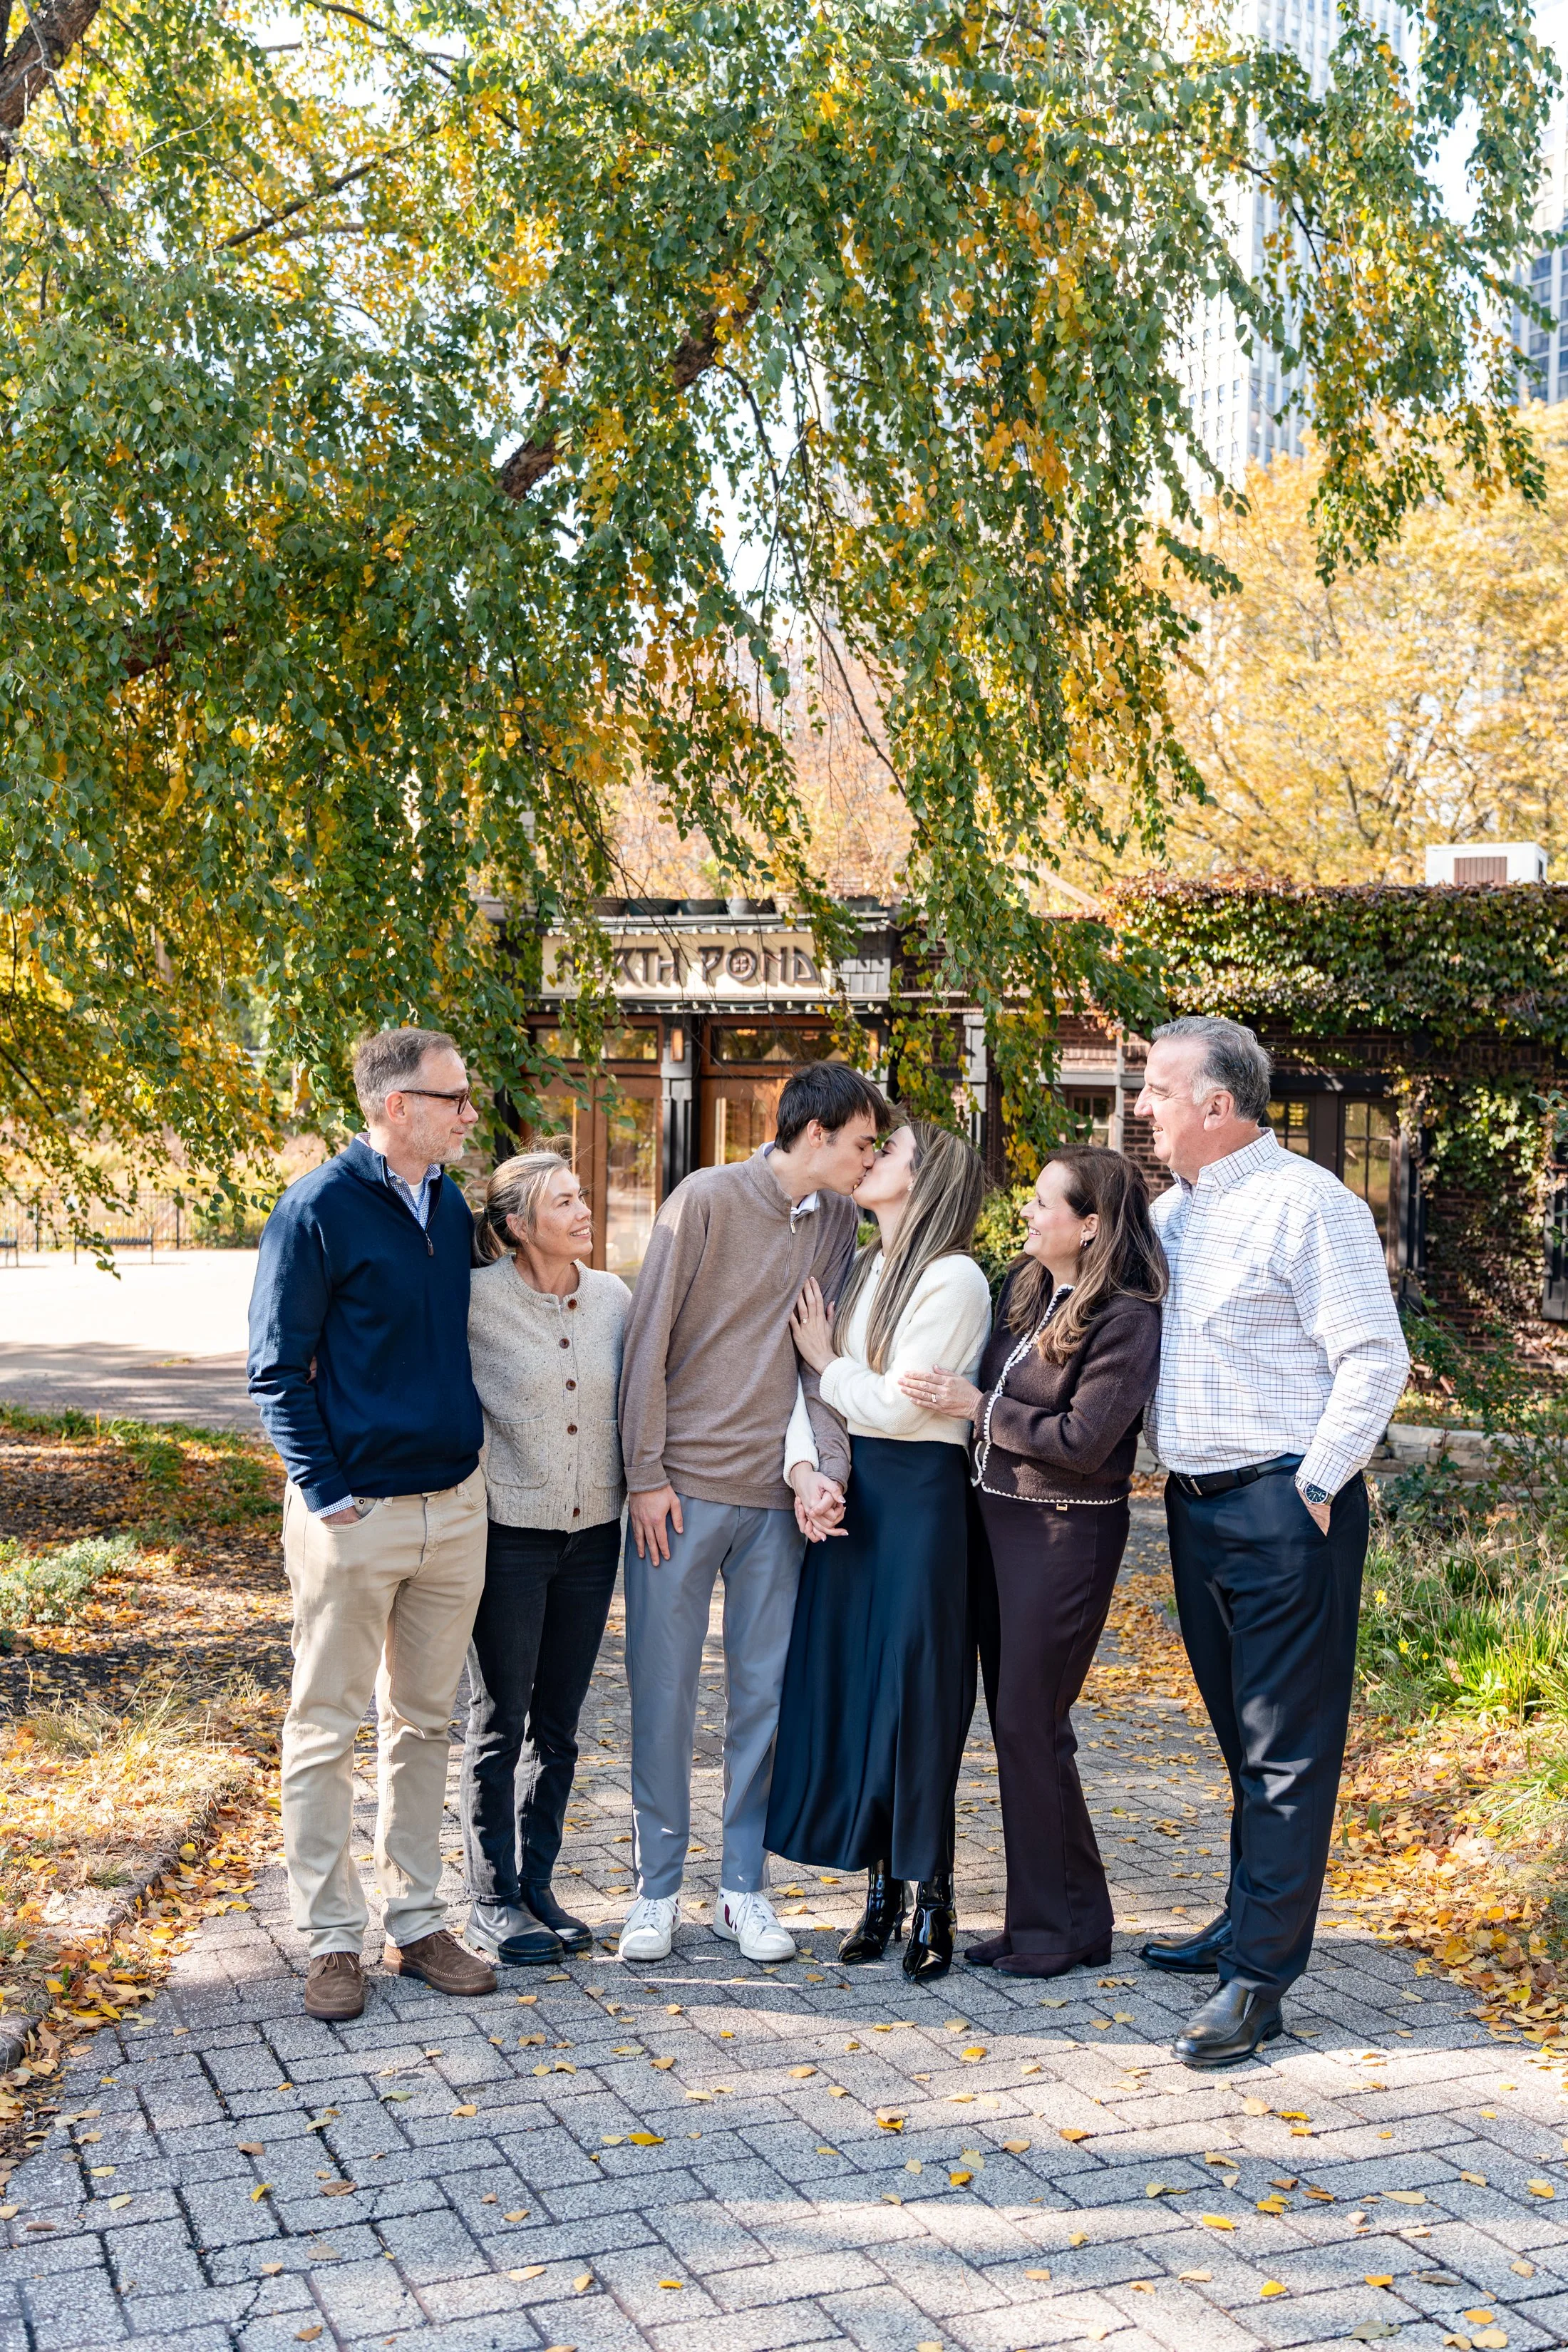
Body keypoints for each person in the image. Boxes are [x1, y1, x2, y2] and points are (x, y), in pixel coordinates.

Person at [1133, 1015, 1409, 2067]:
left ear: (1216, 1105)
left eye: (1159, 1089)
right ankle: (1246, 1924)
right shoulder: (1171, 1215)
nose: (1143, 1106)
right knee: (1242, 1743)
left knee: (1287, 1754)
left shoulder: (1312, 1208)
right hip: (1195, 1509)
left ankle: (1260, 1984)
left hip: (1287, 1511)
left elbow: (1373, 1361)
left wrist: (1316, 1484)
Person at [615, 1061, 891, 1965]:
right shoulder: (702, 1199)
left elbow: (821, 1361)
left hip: (775, 1504)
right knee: (662, 1695)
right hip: (679, 1497)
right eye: (861, 1143)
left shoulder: (839, 1223)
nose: (869, 1158)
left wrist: (826, 1472)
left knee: (764, 1700)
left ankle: (742, 1891)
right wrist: (644, 1471)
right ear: (817, 1134)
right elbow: (647, 1333)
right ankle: (655, 1892)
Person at [247, 1027, 496, 2021]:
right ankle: (330, 1938)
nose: (469, 1112)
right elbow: (274, 1368)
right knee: (325, 1727)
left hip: (454, 1509)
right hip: (355, 1517)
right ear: (399, 1107)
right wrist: (326, 1492)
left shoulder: (447, 1200)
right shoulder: (316, 1209)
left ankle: (420, 1921)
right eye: (454, 1098)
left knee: (425, 1724)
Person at [903, 1147, 1165, 1978]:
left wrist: (978, 1408)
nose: (1026, 1210)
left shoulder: (1126, 1317)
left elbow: (1085, 1444)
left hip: (1063, 1533)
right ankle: (1049, 1920)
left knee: (1029, 1722)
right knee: (1017, 1727)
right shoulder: (1027, 1291)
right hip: (991, 1526)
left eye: (1045, 1202)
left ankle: (1064, 1931)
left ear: (1090, 1226)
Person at [768, 1118, 992, 1981]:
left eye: (887, 1150)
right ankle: (879, 1895)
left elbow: (901, 1409)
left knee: (916, 1697)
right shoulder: (862, 1269)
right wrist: (809, 1466)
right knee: (862, 1693)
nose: (871, 1159)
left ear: (924, 1176)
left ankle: (931, 1894)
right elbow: (827, 1394)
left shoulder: (954, 1276)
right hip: (854, 1493)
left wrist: (828, 1364)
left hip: (920, 1504)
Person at [462, 1149, 631, 1965]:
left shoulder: (615, 1301)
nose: (584, 1210)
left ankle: (537, 1887)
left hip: (595, 1537)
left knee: (559, 1725)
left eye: (582, 1195)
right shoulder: (474, 1303)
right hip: (508, 1538)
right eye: (564, 1202)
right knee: (501, 1720)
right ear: (519, 1226)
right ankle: (488, 1899)